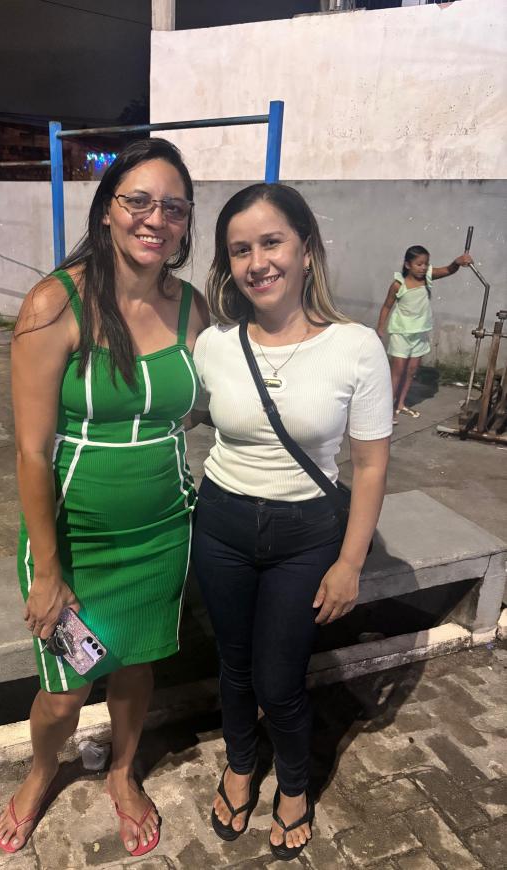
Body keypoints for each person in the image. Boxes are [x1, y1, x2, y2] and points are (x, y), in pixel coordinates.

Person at [0, 138, 208, 856]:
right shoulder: (55, 301)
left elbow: (211, 402)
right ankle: (40, 772)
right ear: (108, 209)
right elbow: (31, 450)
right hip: (75, 538)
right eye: (138, 201)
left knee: (137, 665)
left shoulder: (191, 307)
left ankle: (121, 770)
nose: (156, 219)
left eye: (173, 207)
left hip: (163, 529)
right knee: (63, 692)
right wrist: (47, 569)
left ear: (186, 222)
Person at [190, 183, 393, 861]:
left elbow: (370, 465)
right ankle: (240, 766)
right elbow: (176, 414)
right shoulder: (214, 344)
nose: (257, 263)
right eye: (239, 250)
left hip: (305, 538)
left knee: (280, 681)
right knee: (234, 665)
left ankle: (297, 783)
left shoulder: (356, 346)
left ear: (306, 249)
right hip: (220, 523)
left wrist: (350, 562)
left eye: (271, 242)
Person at [376, 244, 473, 422]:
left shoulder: (428, 277)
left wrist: (458, 262)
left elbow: (449, 270)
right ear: (408, 265)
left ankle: (400, 404)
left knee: (411, 370)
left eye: (426, 264)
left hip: (420, 333)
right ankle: (386, 409)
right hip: (401, 333)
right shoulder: (398, 284)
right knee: (397, 371)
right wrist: (380, 327)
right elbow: (387, 306)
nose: (423, 267)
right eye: (419, 264)